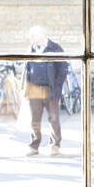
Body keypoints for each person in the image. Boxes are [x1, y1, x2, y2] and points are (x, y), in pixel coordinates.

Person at [24, 25, 67, 156]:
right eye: (32, 37)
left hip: (50, 89)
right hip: (34, 89)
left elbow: (63, 68)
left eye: (34, 36)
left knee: (53, 118)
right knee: (35, 119)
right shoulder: (30, 49)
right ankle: (34, 146)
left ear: (42, 36)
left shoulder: (55, 48)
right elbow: (27, 68)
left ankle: (55, 145)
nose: (32, 39)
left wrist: (57, 85)